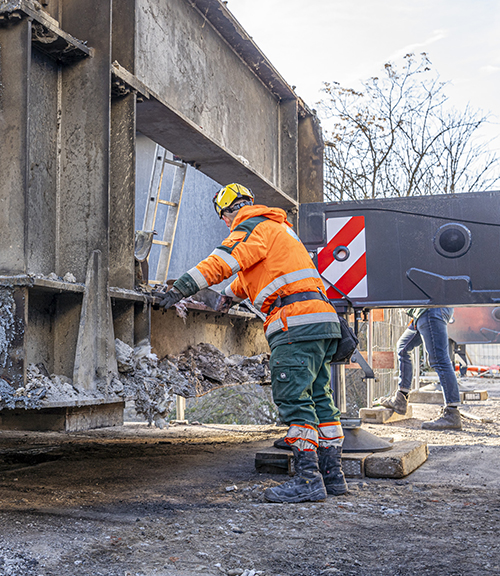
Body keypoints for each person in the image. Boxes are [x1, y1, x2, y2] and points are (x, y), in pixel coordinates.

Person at [159, 183, 346, 503]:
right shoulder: (278, 230)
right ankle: (332, 476)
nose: (226, 224)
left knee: (295, 399)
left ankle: (307, 480)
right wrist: (229, 298)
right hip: (321, 321)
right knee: (319, 399)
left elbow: (224, 260)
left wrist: (181, 289)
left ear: (230, 211)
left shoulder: (251, 225)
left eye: (224, 217)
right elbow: (249, 278)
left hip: (294, 323)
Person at [376, 307, 462, 430]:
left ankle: (452, 414)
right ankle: (401, 398)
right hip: (423, 312)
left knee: (440, 360)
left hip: (430, 310)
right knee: (403, 348)